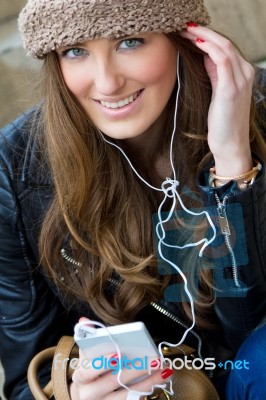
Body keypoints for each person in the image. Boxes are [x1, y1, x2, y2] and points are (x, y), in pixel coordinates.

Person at [0, 0, 266, 399]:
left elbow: (252, 335)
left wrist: (233, 168)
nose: (106, 83)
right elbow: (25, 381)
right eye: (76, 51)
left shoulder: (258, 111)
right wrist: (77, 393)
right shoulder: (16, 165)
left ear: (187, 37)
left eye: (130, 41)